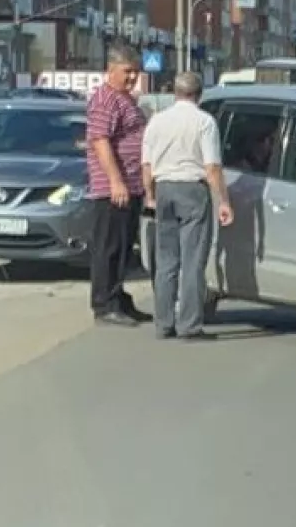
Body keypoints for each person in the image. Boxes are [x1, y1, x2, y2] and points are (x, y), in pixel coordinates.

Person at [140, 72, 233, 339]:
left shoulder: (157, 121)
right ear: (199, 95)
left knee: (166, 260)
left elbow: (146, 163)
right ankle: (189, 324)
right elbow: (212, 167)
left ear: (175, 93)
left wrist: (150, 194)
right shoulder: (204, 122)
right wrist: (223, 201)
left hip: (164, 188)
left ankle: (163, 323)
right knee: (192, 260)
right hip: (193, 190)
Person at [86, 45, 150, 327]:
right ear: (111, 70)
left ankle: (118, 297)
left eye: (136, 71)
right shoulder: (106, 99)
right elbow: (100, 140)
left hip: (132, 185)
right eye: (127, 71)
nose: (132, 77)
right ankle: (104, 304)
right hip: (114, 189)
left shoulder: (124, 99)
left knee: (124, 247)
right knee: (109, 247)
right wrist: (116, 181)